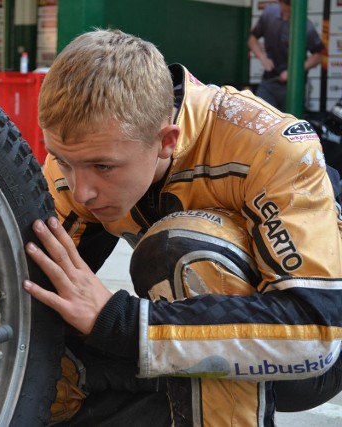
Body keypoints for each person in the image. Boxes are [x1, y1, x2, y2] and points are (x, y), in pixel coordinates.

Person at [21, 29, 342, 426]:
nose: (81, 189)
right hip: (185, 325)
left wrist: (120, 321)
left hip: (310, 352)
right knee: (42, 357)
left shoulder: (273, 146)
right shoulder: (81, 158)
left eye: (103, 167)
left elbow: (316, 335)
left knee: (179, 249)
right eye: (62, 160)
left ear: (166, 141)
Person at [248, 0, 325, 112]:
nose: (287, 13)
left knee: (290, 122)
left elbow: (318, 55)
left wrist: (294, 72)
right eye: (285, 8)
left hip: (293, 86)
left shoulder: (306, 26)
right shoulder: (269, 13)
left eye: (291, 10)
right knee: (257, 114)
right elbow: (252, 40)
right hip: (269, 79)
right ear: (280, 3)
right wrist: (263, 58)